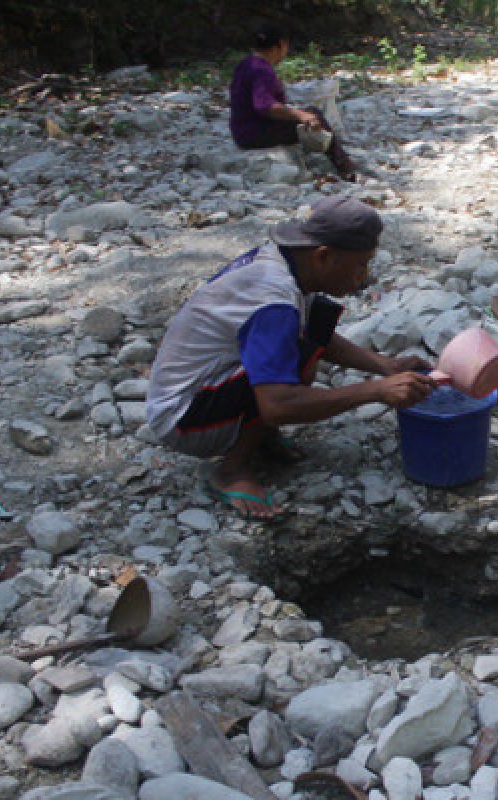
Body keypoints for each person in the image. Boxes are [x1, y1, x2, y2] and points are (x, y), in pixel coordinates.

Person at [145, 197, 435, 520]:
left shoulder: (286, 264)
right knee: (294, 361)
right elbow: (278, 404)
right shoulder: (274, 300)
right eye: (359, 265)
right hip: (183, 416)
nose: (363, 276)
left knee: (311, 329)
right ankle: (231, 470)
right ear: (324, 256)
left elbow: (319, 336)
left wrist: (387, 366)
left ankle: (258, 439)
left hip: (202, 390)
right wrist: (376, 390)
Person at [229, 22, 359, 181]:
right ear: (281, 45)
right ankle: (345, 167)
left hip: (241, 130)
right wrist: (300, 116)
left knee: (308, 114)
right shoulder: (262, 70)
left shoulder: (245, 64)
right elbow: (265, 106)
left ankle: (332, 159)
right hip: (254, 133)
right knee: (313, 115)